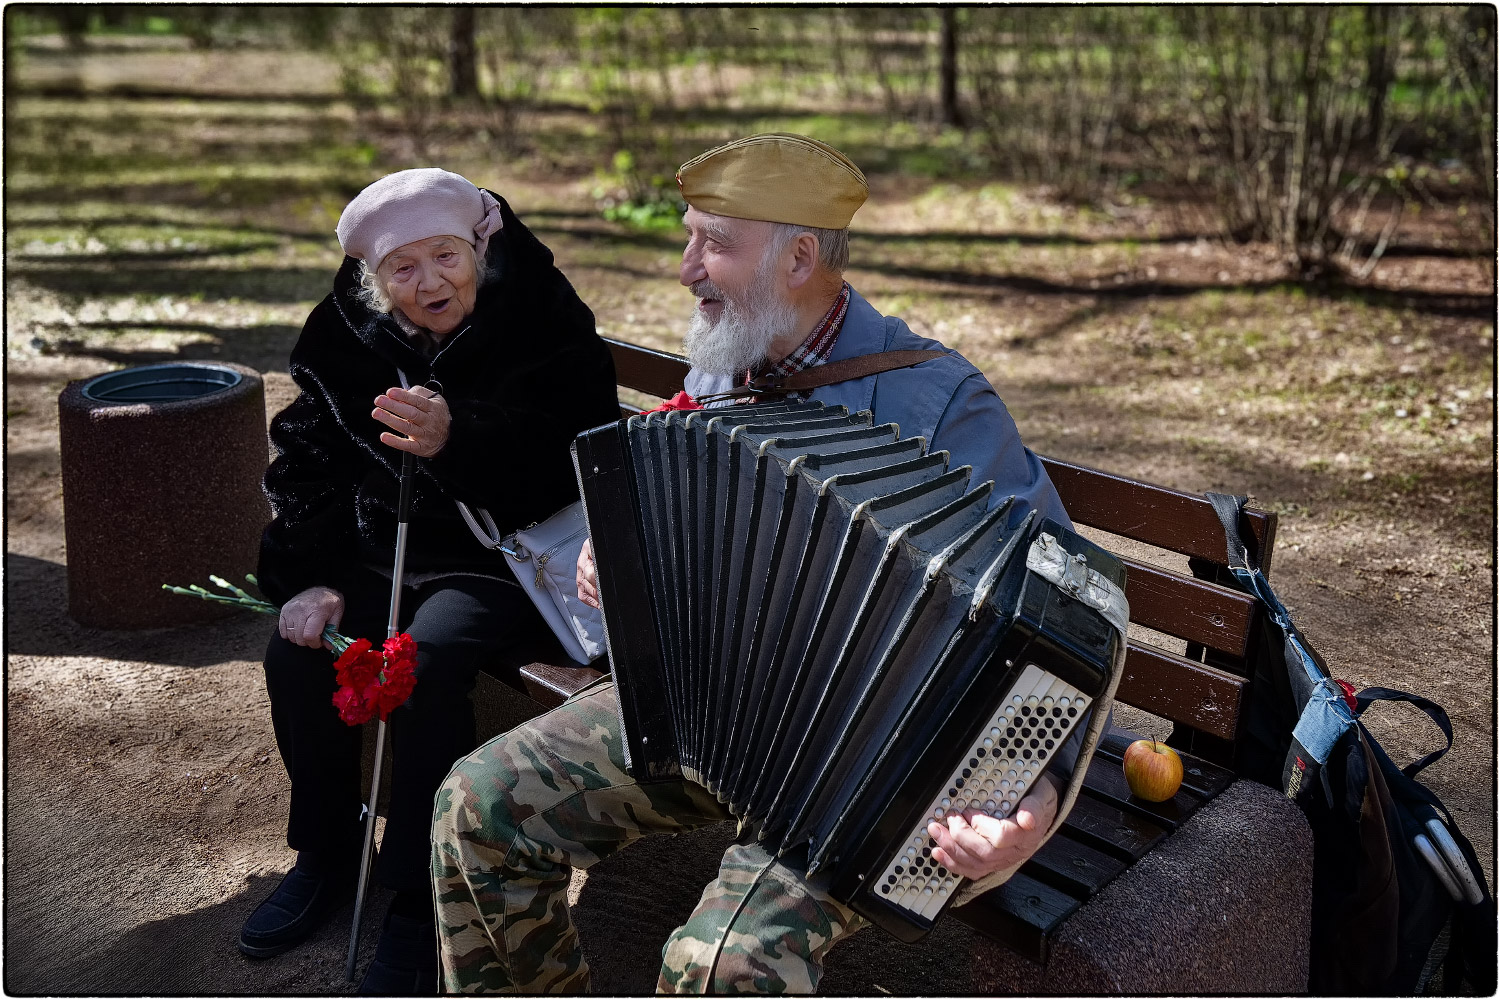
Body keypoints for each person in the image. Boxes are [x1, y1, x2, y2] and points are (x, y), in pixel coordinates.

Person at [431, 135, 1081, 994]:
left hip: (865, 765)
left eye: (714, 243)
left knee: (720, 966)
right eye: (689, 235)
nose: (686, 266)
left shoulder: (940, 402)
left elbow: (1062, 615)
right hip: (711, 713)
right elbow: (690, 526)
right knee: (474, 809)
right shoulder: (727, 365)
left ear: (801, 258)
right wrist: (619, 557)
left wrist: (1035, 797)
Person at [243, 167, 620, 994]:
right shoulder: (344, 329)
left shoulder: (541, 314)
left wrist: (461, 439)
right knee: (300, 652)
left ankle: (421, 892)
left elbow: (586, 455)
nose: (428, 282)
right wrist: (311, 576)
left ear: (477, 247)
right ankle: (328, 852)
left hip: (500, 561)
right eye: (401, 269)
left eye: (444, 256)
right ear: (374, 281)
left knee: (424, 663)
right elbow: (305, 463)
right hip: (371, 554)